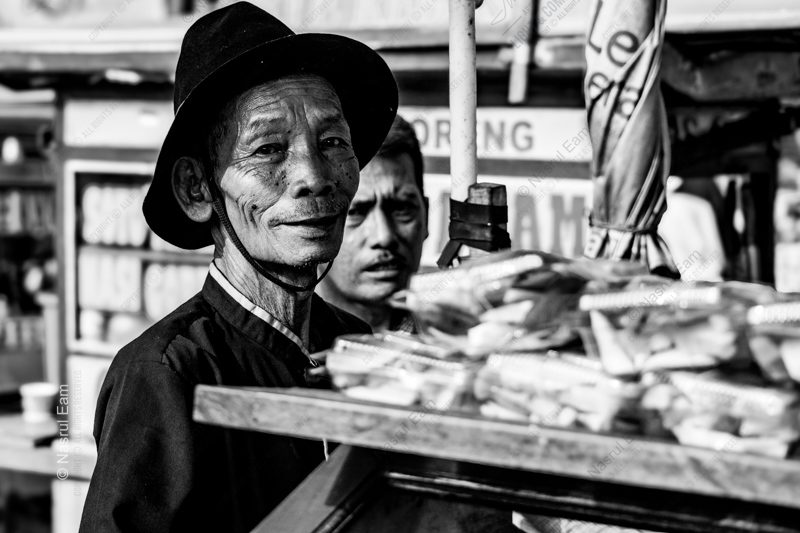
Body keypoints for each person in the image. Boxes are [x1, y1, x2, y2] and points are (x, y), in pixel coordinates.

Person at [79, 3, 397, 532]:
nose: (314, 176)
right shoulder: (168, 373)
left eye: (333, 142)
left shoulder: (355, 346)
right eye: (269, 148)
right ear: (198, 189)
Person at [316, 115, 427, 332]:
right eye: (356, 211)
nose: (384, 236)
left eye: (402, 208)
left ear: (427, 215)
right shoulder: (281, 353)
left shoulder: (459, 342)